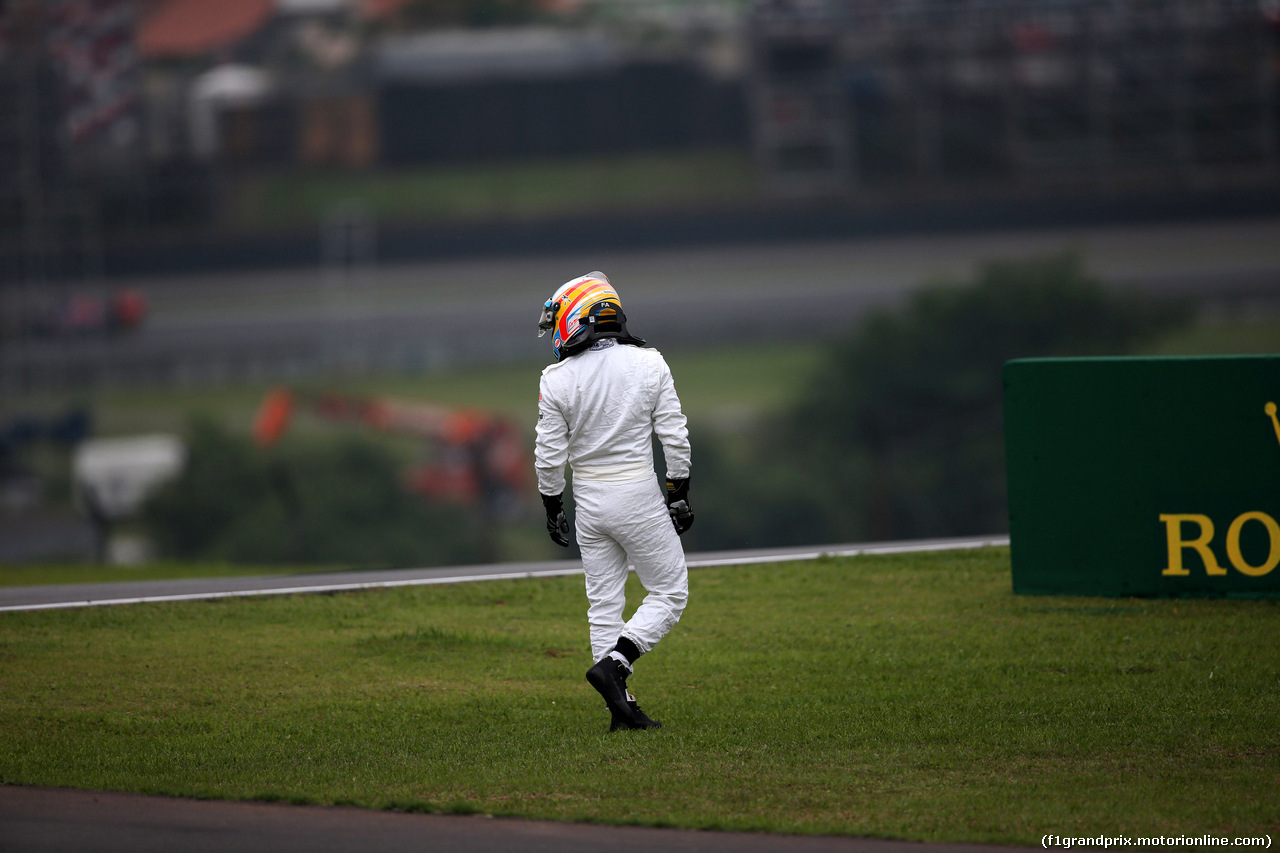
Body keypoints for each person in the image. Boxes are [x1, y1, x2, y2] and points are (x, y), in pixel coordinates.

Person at [534, 271, 694, 732]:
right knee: (670, 591)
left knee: (604, 605)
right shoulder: (649, 363)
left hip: (589, 502)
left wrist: (552, 506)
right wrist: (678, 492)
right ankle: (617, 666)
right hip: (638, 493)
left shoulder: (557, 379)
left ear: (577, 318)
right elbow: (674, 436)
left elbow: (549, 455)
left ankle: (620, 712)